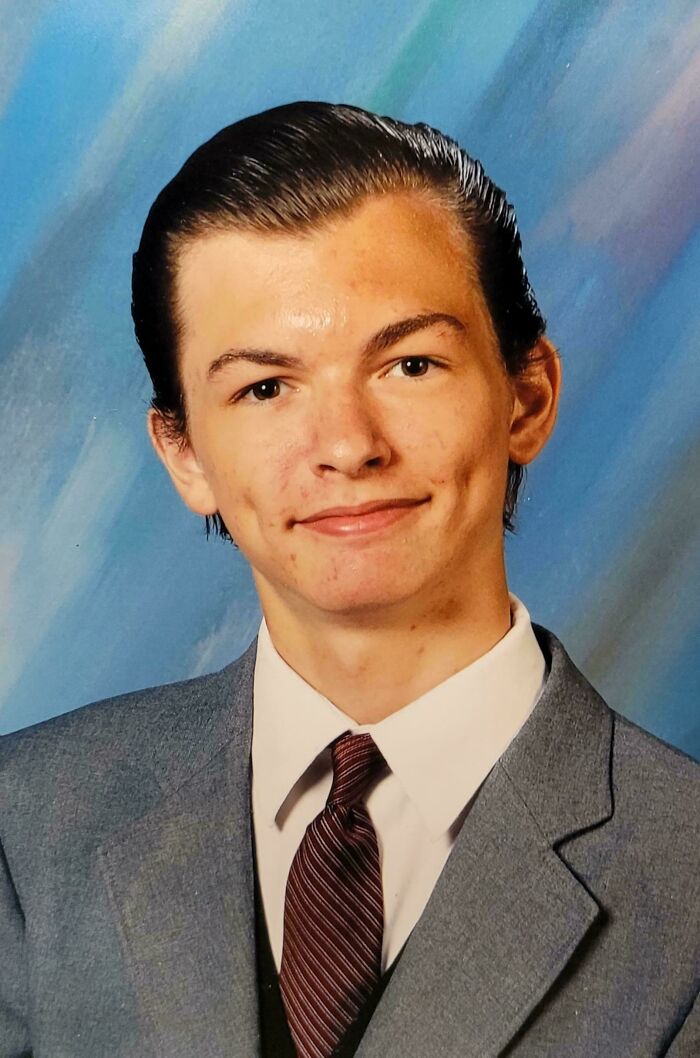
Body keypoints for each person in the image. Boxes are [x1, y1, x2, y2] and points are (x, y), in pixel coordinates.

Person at [0, 102, 698, 1058]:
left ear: (526, 396)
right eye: (265, 387)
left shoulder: (686, 872)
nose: (346, 447)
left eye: (411, 364)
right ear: (183, 451)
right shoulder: (24, 829)